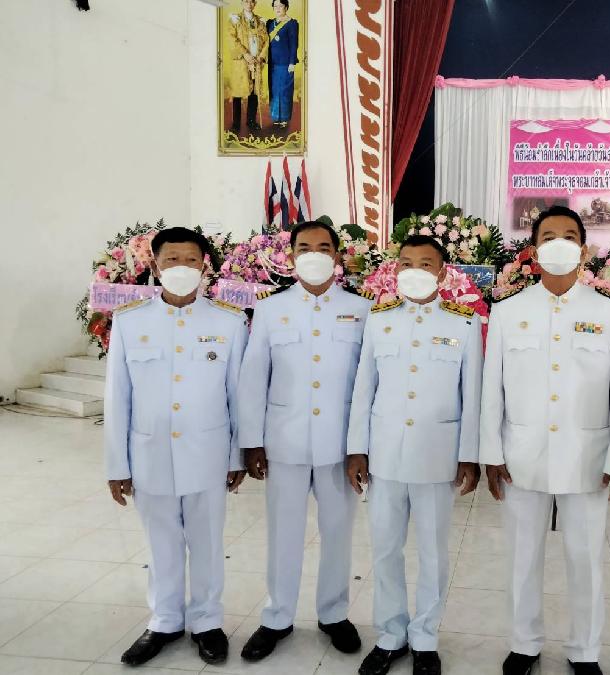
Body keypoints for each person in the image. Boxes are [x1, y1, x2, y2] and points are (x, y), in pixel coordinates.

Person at [480, 206, 610, 675]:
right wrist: (491, 453)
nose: (560, 244)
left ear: (584, 250)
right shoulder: (508, 311)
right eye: (549, 236)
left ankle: (585, 650)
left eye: (570, 236)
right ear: (533, 250)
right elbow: (492, 389)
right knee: (522, 557)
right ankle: (524, 643)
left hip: (588, 457)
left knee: (585, 560)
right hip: (521, 455)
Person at [105, 227, 248, 666]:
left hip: (208, 455)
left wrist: (237, 455)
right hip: (149, 455)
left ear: (204, 265)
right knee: (160, 543)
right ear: (155, 264)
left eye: (190, 259)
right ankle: (164, 620)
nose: (181, 267)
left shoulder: (228, 321)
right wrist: (117, 464)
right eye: (171, 259)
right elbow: (117, 398)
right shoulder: (129, 321)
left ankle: (207, 622)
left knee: (207, 542)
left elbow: (237, 395)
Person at [346, 235, 483, 675]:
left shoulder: (463, 323)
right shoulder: (379, 319)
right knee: (385, 549)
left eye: (426, 263)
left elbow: (472, 394)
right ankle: (390, 634)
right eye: (406, 262)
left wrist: (469, 455)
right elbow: (363, 387)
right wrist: (357, 448)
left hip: (437, 456)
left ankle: (425, 637)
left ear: (442, 273)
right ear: (395, 268)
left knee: (433, 553)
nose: (415, 271)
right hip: (384, 456)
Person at [237, 221, 372, 661]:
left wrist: (361, 445)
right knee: (283, 533)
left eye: (323, 247)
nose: (314, 254)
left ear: (337, 256)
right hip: (284, 441)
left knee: (338, 532)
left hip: (340, 445)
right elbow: (254, 378)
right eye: (305, 247)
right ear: (291, 255)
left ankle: (334, 614)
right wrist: (252, 441)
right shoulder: (271, 309)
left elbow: (368, 383)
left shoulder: (362, 309)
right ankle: (277, 616)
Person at [228, 0, 269, 134]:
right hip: (242, 62)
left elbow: (266, 41)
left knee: (254, 92)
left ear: (254, 3)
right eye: (246, 1)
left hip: (256, 61)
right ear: (242, 3)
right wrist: (245, 54)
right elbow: (232, 39)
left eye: (252, 2)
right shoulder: (235, 20)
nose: (249, 4)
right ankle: (236, 123)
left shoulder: (260, 21)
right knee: (238, 92)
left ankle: (251, 120)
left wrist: (260, 57)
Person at [266, 0, 300, 129]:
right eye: (275, 6)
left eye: (281, 6)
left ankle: (284, 118)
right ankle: (276, 117)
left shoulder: (292, 23)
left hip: (285, 63)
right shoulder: (270, 23)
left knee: (284, 90)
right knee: (274, 90)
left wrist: (292, 62)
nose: (278, 8)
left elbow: (294, 44)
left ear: (286, 7)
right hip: (272, 63)